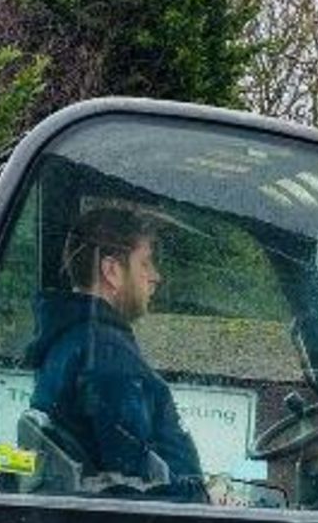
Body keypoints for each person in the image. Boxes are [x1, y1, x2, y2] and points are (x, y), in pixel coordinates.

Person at [25, 205, 204, 491]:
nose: (156, 276)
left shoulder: (68, 342)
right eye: (145, 263)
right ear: (112, 271)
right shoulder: (107, 356)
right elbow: (135, 487)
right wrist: (200, 494)